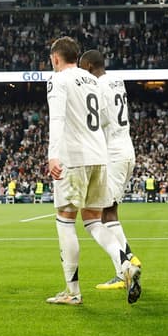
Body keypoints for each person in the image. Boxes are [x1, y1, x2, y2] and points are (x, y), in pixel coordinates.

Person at [45, 36, 140, 305]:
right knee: (93, 220)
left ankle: (72, 292)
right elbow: (102, 117)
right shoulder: (93, 81)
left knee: (65, 220)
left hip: (73, 158)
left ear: (56, 58)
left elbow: (57, 118)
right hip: (100, 156)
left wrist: (53, 154)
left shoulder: (58, 80)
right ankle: (125, 264)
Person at [79, 49, 142, 291]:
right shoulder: (117, 81)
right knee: (109, 212)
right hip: (127, 149)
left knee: (95, 215)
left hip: (112, 154)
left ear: (88, 66)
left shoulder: (97, 86)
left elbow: (100, 119)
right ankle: (129, 259)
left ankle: (123, 267)